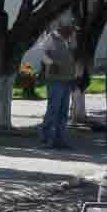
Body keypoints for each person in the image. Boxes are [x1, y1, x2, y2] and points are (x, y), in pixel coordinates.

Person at [39, 20, 78, 150]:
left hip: (67, 79)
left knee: (63, 111)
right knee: (53, 109)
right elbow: (42, 53)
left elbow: (72, 58)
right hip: (55, 80)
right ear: (64, 28)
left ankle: (59, 140)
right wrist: (50, 63)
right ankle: (46, 138)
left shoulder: (69, 40)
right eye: (71, 29)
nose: (73, 32)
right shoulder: (51, 37)